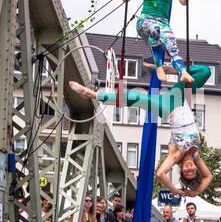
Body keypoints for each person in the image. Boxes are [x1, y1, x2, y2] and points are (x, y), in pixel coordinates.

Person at [69, 63, 212, 197]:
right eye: (193, 171)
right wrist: (196, 192)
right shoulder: (196, 156)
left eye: (187, 173)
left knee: (134, 97)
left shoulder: (175, 156)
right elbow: (208, 176)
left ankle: (91, 94)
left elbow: (161, 174)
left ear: (181, 171)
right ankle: (170, 70)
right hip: (180, 97)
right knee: (205, 71)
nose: (189, 169)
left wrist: (175, 190)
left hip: (167, 108)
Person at [122, 0, 194, 84]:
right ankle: (159, 66)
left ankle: (182, 71)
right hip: (145, 21)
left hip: (163, 23)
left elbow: (183, 1)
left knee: (171, 43)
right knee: (154, 29)